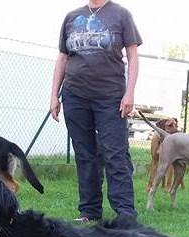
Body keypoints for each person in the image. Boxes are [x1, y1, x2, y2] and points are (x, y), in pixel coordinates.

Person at [50, 0, 141, 223]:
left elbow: (133, 57)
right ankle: (89, 212)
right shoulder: (72, 17)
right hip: (74, 95)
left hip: (110, 97)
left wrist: (129, 93)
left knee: (115, 154)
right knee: (85, 155)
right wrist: (54, 95)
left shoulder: (121, 15)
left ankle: (125, 214)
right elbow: (63, 58)